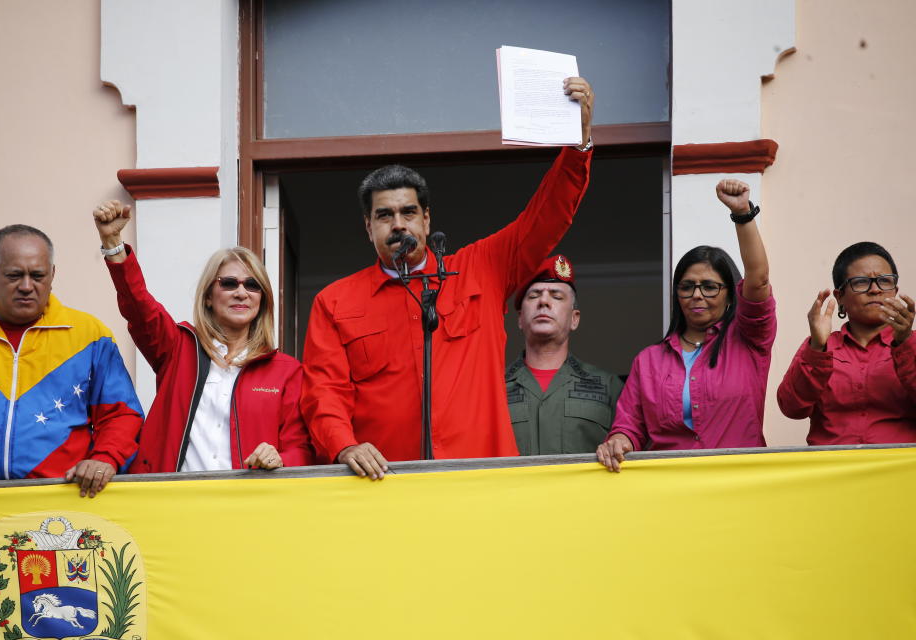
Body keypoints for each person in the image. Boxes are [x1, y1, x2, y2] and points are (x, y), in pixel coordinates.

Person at [302, 76, 595, 479]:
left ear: (427, 219)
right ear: (368, 227)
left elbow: (547, 217)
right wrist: (344, 445)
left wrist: (578, 146)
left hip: (482, 481)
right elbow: (324, 393)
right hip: (383, 487)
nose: (398, 225)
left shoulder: (481, 267)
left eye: (408, 213)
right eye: (384, 216)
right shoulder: (335, 302)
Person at [92, 201, 314, 473]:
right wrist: (113, 244)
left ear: (262, 299)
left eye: (252, 285)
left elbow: (301, 449)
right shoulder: (177, 348)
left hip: (247, 505)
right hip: (173, 502)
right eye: (229, 283)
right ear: (209, 296)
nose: (241, 293)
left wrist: (280, 458)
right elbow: (139, 307)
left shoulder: (287, 371)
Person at [597, 179, 775, 471]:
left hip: (740, 483)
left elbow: (759, 278)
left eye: (709, 287)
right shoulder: (649, 361)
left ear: (731, 295)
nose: (697, 295)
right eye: (687, 286)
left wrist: (743, 214)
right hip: (670, 488)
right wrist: (618, 440)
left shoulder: (749, 340)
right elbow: (629, 426)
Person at [0, 225, 143, 497]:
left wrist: (105, 457)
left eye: (38, 275)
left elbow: (121, 413)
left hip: (62, 502)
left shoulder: (90, 335)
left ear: (52, 276)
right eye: (14, 275)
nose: (26, 286)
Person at [777, 242, 916, 443]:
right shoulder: (821, 346)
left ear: (895, 290)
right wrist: (817, 348)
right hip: (834, 469)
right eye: (861, 282)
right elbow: (791, 408)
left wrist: (905, 344)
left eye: (885, 281)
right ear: (839, 296)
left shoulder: (911, 344)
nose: (875, 290)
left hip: (900, 470)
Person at [505, 254, 624, 455]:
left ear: (574, 319)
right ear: (520, 319)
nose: (543, 301)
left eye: (557, 296)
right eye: (534, 296)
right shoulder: (494, 389)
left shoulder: (609, 386)